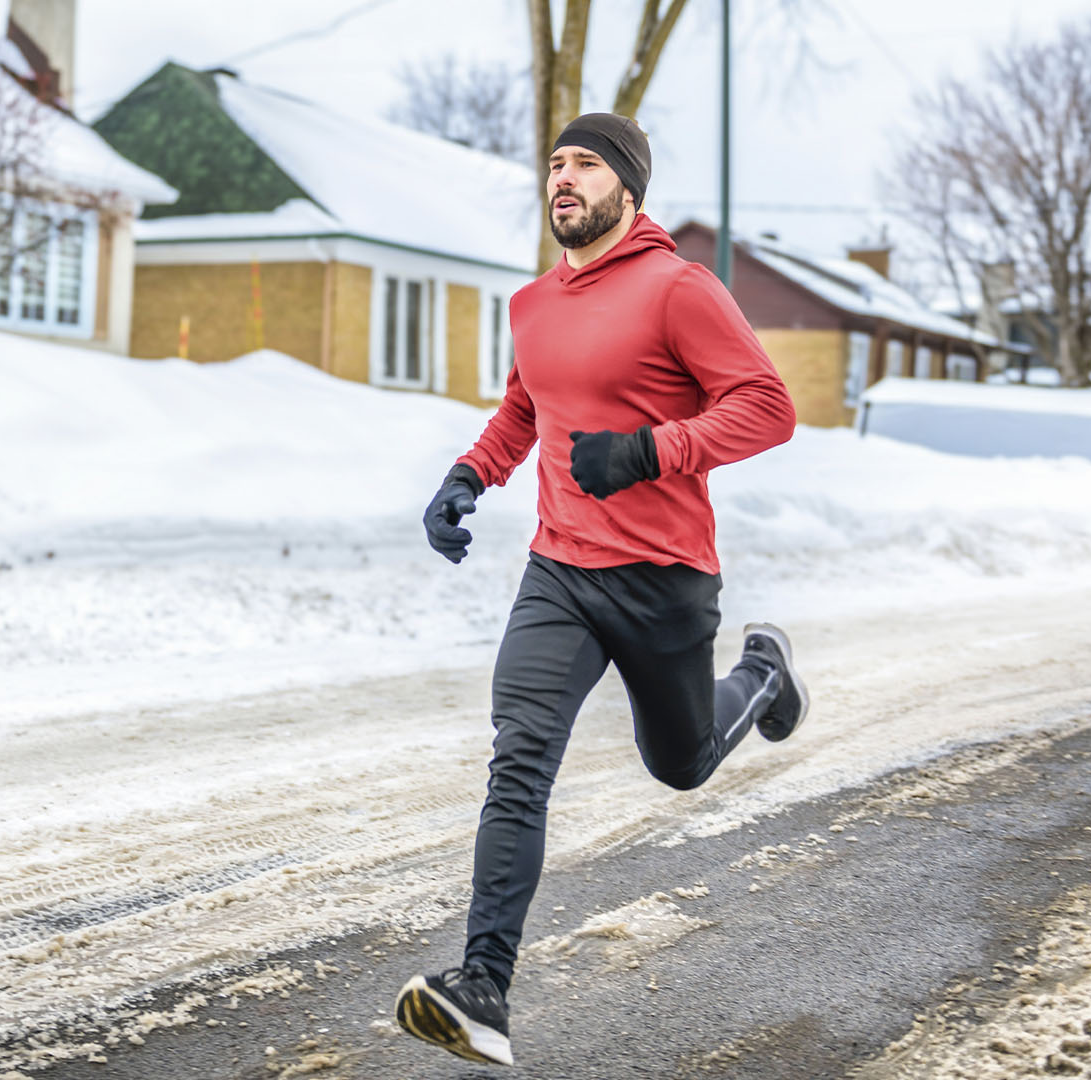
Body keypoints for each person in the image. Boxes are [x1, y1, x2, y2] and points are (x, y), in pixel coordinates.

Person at [392, 113, 809, 1068]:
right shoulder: (535, 302)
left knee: (682, 762)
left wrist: (655, 448)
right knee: (520, 755)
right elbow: (526, 407)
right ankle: (484, 985)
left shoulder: (680, 288)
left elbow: (767, 407)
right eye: (554, 165)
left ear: (628, 186)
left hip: (663, 580)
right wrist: (470, 475)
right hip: (562, 571)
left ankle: (764, 673)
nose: (562, 179)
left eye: (584, 164)